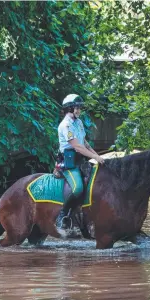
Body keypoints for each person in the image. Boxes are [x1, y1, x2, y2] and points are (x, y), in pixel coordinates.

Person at [55, 94, 105, 230]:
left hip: (81, 161)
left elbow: (85, 144)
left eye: (79, 108)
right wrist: (95, 158)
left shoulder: (79, 123)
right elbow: (77, 147)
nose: (78, 111)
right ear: (69, 109)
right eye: (76, 108)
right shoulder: (65, 125)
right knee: (78, 188)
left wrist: (98, 156)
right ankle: (62, 214)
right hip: (69, 164)